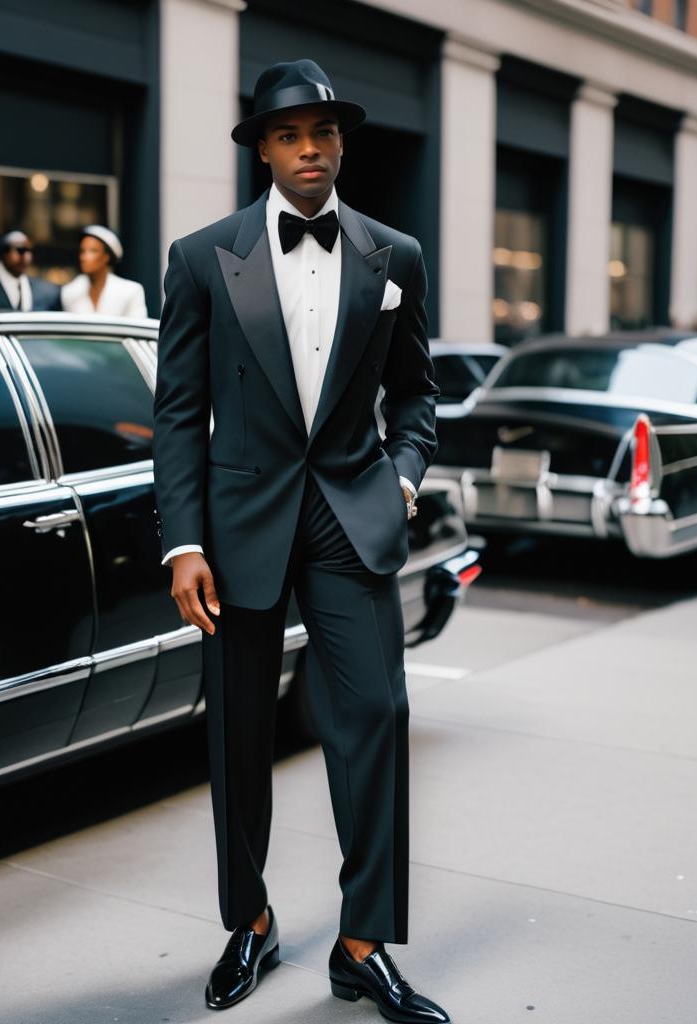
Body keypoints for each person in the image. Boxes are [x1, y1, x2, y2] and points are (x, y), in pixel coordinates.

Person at [153, 59, 448, 1023]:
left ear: (341, 142)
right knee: (238, 736)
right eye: (289, 134)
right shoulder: (201, 257)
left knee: (376, 720)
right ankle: (252, 922)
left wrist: (402, 478)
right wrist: (183, 542)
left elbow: (417, 395)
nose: (310, 148)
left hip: (351, 516)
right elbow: (178, 413)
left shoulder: (393, 254)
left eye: (323, 131)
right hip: (237, 529)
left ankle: (363, 943)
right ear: (264, 150)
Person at [61, 225, 148, 317]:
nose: (84, 257)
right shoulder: (70, 291)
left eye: (93, 251)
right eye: (82, 251)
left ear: (106, 257)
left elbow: (137, 326)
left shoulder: (131, 291)